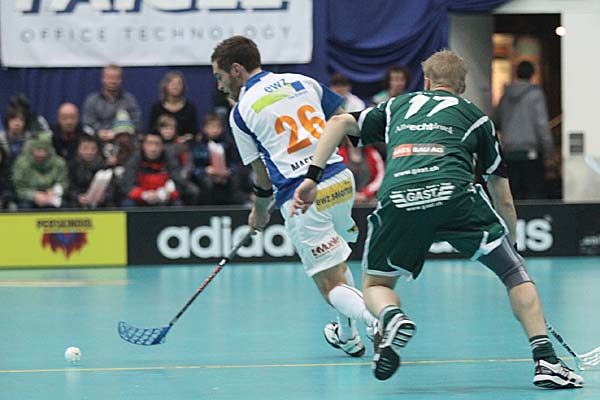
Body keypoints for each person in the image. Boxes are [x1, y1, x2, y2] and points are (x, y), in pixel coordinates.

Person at [292, 50, 583, 389]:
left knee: (376, 286)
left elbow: (338, 122)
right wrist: (512, 248)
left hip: (399, 199)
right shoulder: (476, 118)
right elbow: (502, 195)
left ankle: (391, 317)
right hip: (456, 198)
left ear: (427, 82)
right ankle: (546, 360)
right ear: (462, 87)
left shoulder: (397, 106)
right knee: (514, 275)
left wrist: (312, 178)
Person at [211, 35, 377, 357]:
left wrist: (259, 211)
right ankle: (347, 335)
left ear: (236, 69)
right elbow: (342, 118)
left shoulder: (241, 112)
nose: (219, 86)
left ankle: (380, 319)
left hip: (303, 198)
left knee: (330, 285)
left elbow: (261, 177)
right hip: (340, 180)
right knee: (336, 264)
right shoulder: (302, 81)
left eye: (220, 76)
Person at [495, 60, 555, 200]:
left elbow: (497, 120)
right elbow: (542, 125)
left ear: (516, 73)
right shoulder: (536, 95)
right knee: (534, 194)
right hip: (531, 152)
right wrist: (549, 153)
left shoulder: (505, 96)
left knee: (514, 195)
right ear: (533, 74)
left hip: (509, 152)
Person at [189, 113, 245, 205]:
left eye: (217, 127)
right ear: (205, 129)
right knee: (206, 185)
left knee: (235, 182)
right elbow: (194, 167)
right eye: (211, 127)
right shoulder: (199, 146)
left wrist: (229, 171)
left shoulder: (228, 145)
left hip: (226, 178)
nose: (214, 130)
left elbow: (235, 163)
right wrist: (205, 170)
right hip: (206, 178)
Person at [119, 132, 183, 207]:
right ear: (143, 145)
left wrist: (168, 194)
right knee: (127, 204)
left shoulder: (170, 159)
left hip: (164, 198)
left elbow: (179, 184)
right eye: (150, 143)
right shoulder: (134, 160)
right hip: (140, 198)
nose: (153, 148)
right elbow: (127, 186)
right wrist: (144, 194)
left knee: (177, 203)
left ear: (162, 146)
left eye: (157, 144)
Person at [82, 64, 142, 139]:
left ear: (121, 80)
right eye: (109, 78)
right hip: (97, 139)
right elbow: (87, 124)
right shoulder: (92, 100)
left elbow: (137, 123)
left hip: (123, 140)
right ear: (102, 79)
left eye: (116, 78)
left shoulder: (129, 99)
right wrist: (98, 132)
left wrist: (118, 132)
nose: (113, 81)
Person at [12, 133, 68, 209]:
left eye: (45, 150)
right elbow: (19, 188)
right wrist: (34, 195)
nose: (42, 154)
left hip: (53, 197)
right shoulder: (21, 163)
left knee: (65, 206)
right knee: (24, 206)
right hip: (29, 199)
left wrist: (55, 191)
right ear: (32, 149)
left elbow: (63, 182)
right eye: (38, 150)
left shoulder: (59, 163)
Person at [148, 71, 198, 138]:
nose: (176, 87)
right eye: (173, 84)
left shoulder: (190, 108)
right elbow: (151, 132)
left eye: (179, 84)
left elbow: (193, 133)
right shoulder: (157, 108)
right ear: (165, 86)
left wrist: (185, 138)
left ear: (183, 87)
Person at [67, 135, 110, 208]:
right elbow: (69, 187)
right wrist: (78, 197)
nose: (89, 152)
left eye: (93, 149)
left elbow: (111, 188)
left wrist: (104, 196)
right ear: (78, 150)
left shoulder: (104, 166)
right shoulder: (72, 166)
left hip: (101, 203)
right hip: (77, 202)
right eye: (85, 148)